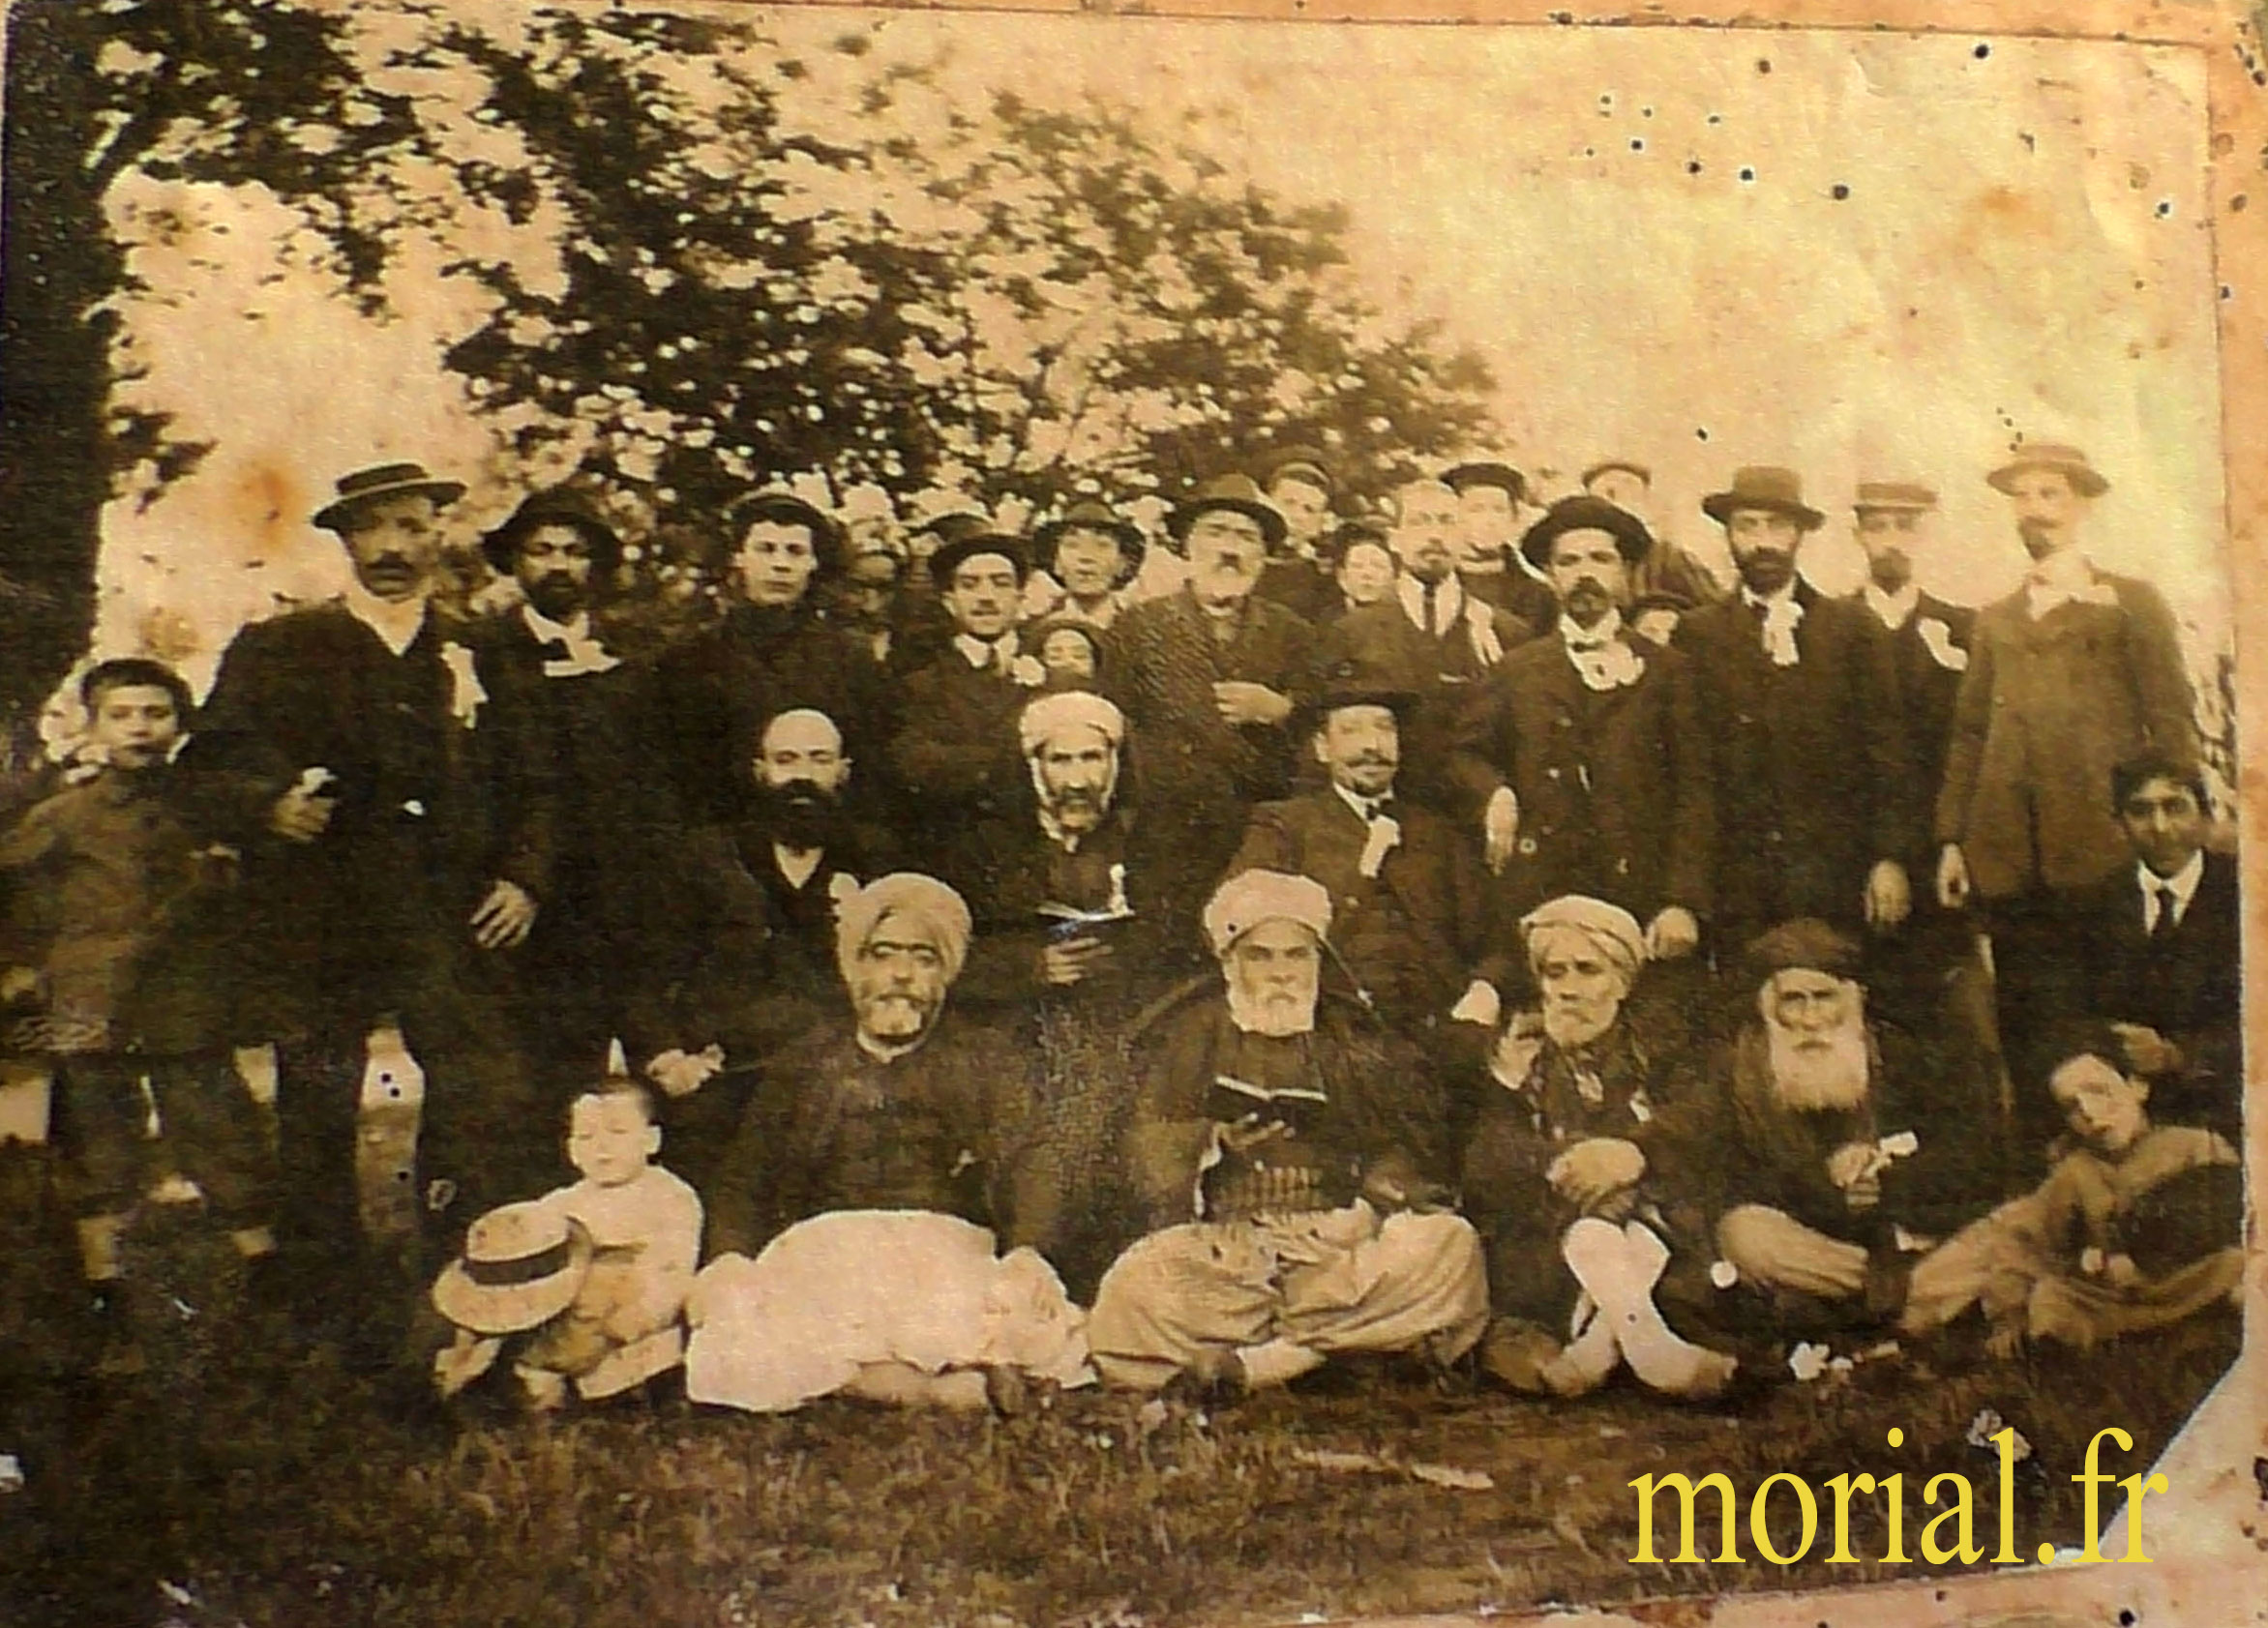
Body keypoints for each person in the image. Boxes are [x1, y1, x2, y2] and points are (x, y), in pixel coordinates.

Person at [182, 462, 546, 1311]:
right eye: (371, 529)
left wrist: (524, 877)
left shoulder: (483, 648)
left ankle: (464, 1262)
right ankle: (325, 1285)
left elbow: (538, 782)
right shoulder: (282, 646)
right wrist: (269, 803)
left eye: (410, 526)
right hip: (323, 909)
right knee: (317, 1092)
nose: (391, 547)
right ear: (345, 540)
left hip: (450, 908)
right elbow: (207, 763)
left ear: (439, 535)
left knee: (473, 1084)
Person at [685, 874, 1089, 1414]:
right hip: (827, 1252)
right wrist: (729, 1257)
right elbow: (746, 1178)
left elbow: (1035, 1160)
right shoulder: (806, 1062)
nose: (901, 975)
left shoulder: (984, 1058)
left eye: (923, 959)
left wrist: (1027, 1251)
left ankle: (859, 1381)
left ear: (946, 974)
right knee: (742, 1321)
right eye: (883, 955)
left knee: (1020, 1315)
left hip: (943, 1249)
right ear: (854, 967)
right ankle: (929, 1390)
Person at [1085, 870, 1488, 1398]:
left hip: (1339, 1241)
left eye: (1297, 955)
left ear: (1318, 961)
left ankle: (1261, 1366)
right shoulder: (1194, 1030)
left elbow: (1403, 1142)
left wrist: (1374, 1194)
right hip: (1230, 1248)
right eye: (1261, 956)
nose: (1281, 973)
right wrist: (1212, 1142)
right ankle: (1340, 1350)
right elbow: (1145, 1141)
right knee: (1135, 1287)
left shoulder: (1350, 1032)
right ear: (1229, 962)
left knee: (1450, 1245)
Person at [0, 659, 275, 1370]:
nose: (140, 729)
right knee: (97, 1144)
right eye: (120, 715)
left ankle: (268, 1283)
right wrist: (30, 967)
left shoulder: (206, 804)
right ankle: (108, 1295)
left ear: (179, 725)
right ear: (92, 726)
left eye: (156, 713)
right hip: (90, 1000)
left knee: (218, 1126)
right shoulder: (62, 813)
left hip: (185, 997)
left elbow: (266, 827)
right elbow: (14, 884)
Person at [1933, 445, 2198, 1135]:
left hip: (2103, 852)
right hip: (2009, 862)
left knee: (2108, 1020)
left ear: (2081, 506)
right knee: (2027, 1024)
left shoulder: (2129, 602)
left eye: (2050, 494)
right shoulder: (1996, 617)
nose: (2035, 511)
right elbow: (1969, 733)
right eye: (2023, 497)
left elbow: (2170, 716)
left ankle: (2127, 1164)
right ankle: (2043, 1170)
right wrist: (1953, 840)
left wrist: (2176, 828)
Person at [1669, 921, 2001, 1341]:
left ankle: (1854, 1313)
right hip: (1807, 1247)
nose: (1811, 1019)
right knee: (1744, 1233)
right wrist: (1824, 1182)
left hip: (1896, 1236)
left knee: (1991, 1239)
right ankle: (1896, 1304)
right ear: (1768, 1007)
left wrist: (1887, 1180)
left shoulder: (1902, 1055)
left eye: (1824, 998)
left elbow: (1969, 1156)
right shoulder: (1740, 1069)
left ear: (1853, 998)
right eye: (1793, 1001)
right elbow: (1726, 1175)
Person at [951, 692, 1181, 1294]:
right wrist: (1030, 965)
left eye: (1092, 759)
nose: (1078, 780)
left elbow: (1181, 942)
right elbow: (946, 954)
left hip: (1133, 1032)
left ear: (1115, 764)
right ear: (1035, 767)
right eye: (1061, 761)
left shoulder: (1150, 840)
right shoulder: (988, 844)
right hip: (1020, 1037)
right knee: (1041, 1151)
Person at [1460, 898, 1732, 1399]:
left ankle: (1600, 1347)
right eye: (1554, 972)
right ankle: (1649, 1352)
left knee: (1647, 1230)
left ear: (1622, 983)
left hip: (1655, 1231)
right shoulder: (1521, 1055)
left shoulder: (1659, 1050)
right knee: (1593, 1231)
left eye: (1588, 970)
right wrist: (1565, 1161)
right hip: (1549, 1241)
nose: (1569, 989)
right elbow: (1488, 1158)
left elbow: (1699, 1123)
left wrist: (1633, 1153)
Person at [1450, 497, 1713, 996]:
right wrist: (1495, 793)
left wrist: (1683, 901)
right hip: (1544, 893)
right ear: (1550, 575)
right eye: (1569, 562)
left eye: (1600, 559)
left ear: (1626, 572)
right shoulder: (1517, 669)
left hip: (1640, 898)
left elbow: (1697, 793)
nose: (1584, 574)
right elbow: (1466, 753)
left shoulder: (1669, 671)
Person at [645, 707, 901, 1199]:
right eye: (786, 760)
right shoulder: (706, 857)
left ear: (843, 771)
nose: (802, 776)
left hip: (842, 1081)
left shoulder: (877, 858)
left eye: (819, 760)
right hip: (723, 1080)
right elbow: (648, 974)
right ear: (760, 771)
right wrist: (668, 1058)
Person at [473, 486, 674, 1102]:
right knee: (536, 1086)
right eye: (541, 551)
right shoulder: (483, 655)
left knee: (654, 1078)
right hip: (533, 910)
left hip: (628, 902)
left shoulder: (635, 656)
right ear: (516, 562)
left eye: (574, 551)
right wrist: (520, 876)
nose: (558, 565)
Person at [1672, 467, 1912, 959]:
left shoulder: (1852, 628)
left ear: (1799, 534)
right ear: (1728, 535)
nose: (1762, 542)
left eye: (1777, 526)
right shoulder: (1698, 634)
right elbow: (1691, 769)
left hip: (1834, 873)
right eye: (1747, 526)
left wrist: (1889, 858)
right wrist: (1689, 892)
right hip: (1737, 879)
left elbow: (1887, 754)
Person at [1899, 1030, 2241, 1353]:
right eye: (2072, 1107)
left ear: (2138, 1087)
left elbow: (2230, 1208)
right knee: (2051, 1298)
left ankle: (2197, 1322)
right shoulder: (2074, 1171)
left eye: (2099, 1092)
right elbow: (2029, 1243)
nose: (2089, 1113)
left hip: (2187, 1275)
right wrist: (2009, 1312)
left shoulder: (2197, 1145)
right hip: (2115, 1294)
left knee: (2237, 1264)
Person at [1225, 666, 1492, 1035]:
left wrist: (1485, 990)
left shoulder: (1437, 832)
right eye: (1351, 731)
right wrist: (1362, 871)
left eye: (1384, 729)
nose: (1372, 746)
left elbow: (1491, 941)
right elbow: (1236, 923)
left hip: (1437, 1030)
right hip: (1330, 1031)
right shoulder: (1285, 827)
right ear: (1322, 748)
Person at [432, 1071, 702, 1409]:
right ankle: (489, 1367)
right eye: (586, 1137)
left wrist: (642, 1316)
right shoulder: (564, 1201)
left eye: (618, 1132)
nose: (602, 1147)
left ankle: (549, 1380)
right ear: (572, 1150)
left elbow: (672, 1267)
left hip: (625, 1319)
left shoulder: (670, 1197)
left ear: (651, 1140)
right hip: (559, 1311)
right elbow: (527, 1240)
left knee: (611, 1349)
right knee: (510, 1315)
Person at [1103, 475, 1315, 903]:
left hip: (1259, 835)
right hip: (1165, 837)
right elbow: (1112, 733)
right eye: (1215, 532)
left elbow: (1320, 733)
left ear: (1263, 555)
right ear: (1188, 545)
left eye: (1246, 537)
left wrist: (1281, 710)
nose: (1230, 549)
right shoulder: (1138, 627)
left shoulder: (1292, 633)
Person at [1838, 480, 1988, 1048]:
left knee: (1944, 1019)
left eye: (1906, 526)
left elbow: (1975, 745)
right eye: (1878, 526)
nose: (1892, 540)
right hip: (1852, 856)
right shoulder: (1830, 625)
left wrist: (1955, 842)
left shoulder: (1966, 628)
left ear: (1928, 534)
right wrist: (1878, 855)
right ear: (1858, 535)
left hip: (1941, 857)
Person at [652, 490, 880, 828]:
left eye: (795, 551)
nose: (781, 564)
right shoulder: (691, 656)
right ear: (739, 558)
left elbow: (867, 764)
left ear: (813, 563)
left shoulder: (849, 655)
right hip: (720, 834)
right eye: (766, 549)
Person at [2042, 754, 2239, 1141]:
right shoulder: (2091, 906)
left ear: (2206, 815)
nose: (2160, 827)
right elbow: (2062, 1019)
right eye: (2140, 811)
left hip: (2227, 1114)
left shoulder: (2245, 896)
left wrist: (2176, 1056)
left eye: (2175, 807)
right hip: (2117, 1120)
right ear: (2119, 825)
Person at [888, 531, 1046, 871]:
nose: (986, 597)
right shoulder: (918, 685)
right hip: (949, 857)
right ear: (949, 601)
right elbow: (916, 765)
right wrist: (1013, 760)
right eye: (970, 585)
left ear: (1021, 597)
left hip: (1036, 856)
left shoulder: (1052, 674)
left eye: (1000, 583)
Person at [1578, 459, 1725, 623]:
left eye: (1628, 488)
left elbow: (1716, 611)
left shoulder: (1668, 557)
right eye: (1606, 494)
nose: (1616, 502)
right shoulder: (1580, 564)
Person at [1442, 459, 1559, 630]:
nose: (1490, 521)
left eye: (1499, 509)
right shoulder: (1433, 586)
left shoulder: (1539, 592)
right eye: (1476, 509)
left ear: (1514, 517)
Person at [1029, 499, 1146, 632]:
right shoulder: (1036, 631)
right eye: (1072, 545)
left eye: (1102, 545)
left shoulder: (1139, 630)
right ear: (1056, 562)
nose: (1086, 556)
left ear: (1122, 563)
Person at [1253, 450, 1340, 622]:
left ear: (1318, 524)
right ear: (1266, 504)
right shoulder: (1238, 561)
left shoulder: (1323, 586)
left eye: (1309, 510)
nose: (1297, 516)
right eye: (1288, 503)